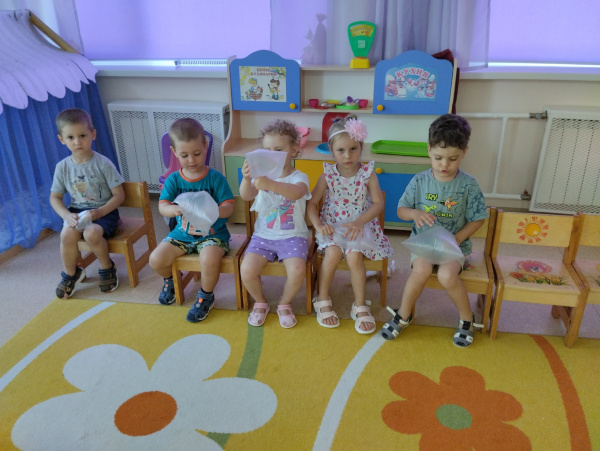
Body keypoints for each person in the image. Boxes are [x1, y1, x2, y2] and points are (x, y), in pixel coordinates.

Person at [381, 113, 488, 348]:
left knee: (446, 276)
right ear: (429, 150)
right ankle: (404, 315)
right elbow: (401, 210)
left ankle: (467, 319)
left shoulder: (468, 185)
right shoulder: (419, 181)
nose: (444, 165)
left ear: (464, 152)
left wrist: (457, 238)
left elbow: (479, 219)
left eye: (452, 159)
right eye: (439, 158)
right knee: (420, 271)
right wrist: (414, 214)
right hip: (423, 244)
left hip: (454, 246)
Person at [307, 115, 393, 334]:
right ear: (331, 150)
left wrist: (359, 222)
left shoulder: (368, 174)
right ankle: (322, 298)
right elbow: (312, 204)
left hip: (360, 224)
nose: (347, 156)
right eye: (341, 150)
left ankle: (360, 305)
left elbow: (378, 203)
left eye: (353, 149)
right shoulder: (327, 175)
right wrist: (318, 225)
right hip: (333, 224)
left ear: (361, 147)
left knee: (355, 257)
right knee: (333, 253)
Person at [149, 118, 234, 322]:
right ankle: (170, 280)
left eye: (197, 153)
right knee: (156, 260)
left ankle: (206, 295)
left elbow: (229, 208)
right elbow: (162, 206)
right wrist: (174, 209)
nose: (191, 160)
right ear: (174, 152)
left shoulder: (215, 178)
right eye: (184, 155)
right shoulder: (174, 180)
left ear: (205, 146)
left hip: (212, 235)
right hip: (182, 234)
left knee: (209, 260)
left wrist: (213, 211)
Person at [240, 119, 311, 328]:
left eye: (278, 150)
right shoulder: (260, 175)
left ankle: (284, 303)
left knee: (297, 270)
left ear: (294, 150)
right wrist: (247, 179)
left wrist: (270, 183)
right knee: (247, 270)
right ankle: (260, 302)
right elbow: (246, 196)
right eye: (267, 150)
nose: (272, 155)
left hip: (293, 236)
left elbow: (297, 192)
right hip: (263, 236)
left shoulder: (299, 176)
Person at [50, 108, 124, 299]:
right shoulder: (62, 167)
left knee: (91, 233)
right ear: (62, 139)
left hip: (105, 211)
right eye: (71, 137)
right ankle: (71, 273)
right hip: (77, 211)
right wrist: (66, 215)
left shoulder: (103, 163)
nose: (77, 142)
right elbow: (55, 197)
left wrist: (100, 212)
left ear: (93, 134)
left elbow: (119, 195)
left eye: (82, 135)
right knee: (66, 234)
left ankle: (107, 267)